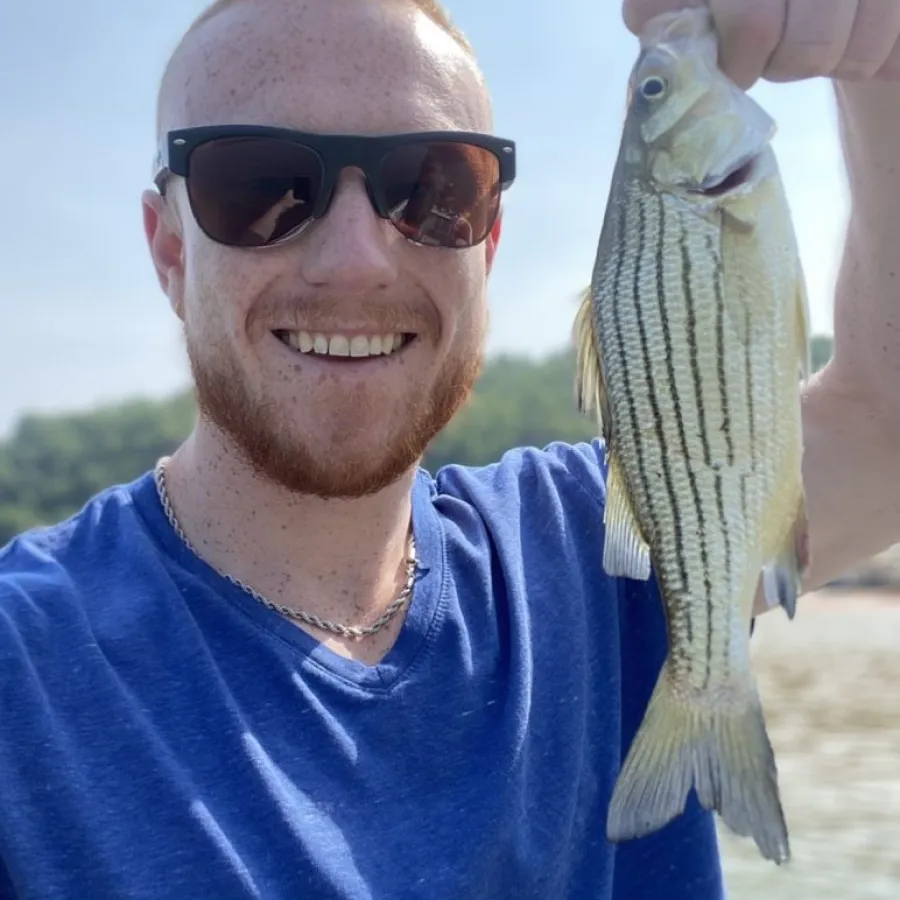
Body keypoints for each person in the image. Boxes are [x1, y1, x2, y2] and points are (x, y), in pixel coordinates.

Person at [0, 0, 897, 896]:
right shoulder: (24, 666)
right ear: (169, 252)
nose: (356, 260)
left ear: (488, 247)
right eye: (260, 185)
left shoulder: (602, 544)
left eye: (432, 190)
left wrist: (886, 67)